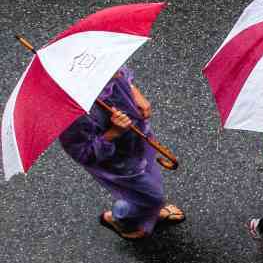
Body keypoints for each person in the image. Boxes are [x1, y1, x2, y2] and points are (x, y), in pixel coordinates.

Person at [59, 67, 184, 239]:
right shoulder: (74, 116)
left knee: (151, 185)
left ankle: (147, 208)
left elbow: (123, 73)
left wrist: (135, 92)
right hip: (120, 162)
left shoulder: (99, 64)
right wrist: (113, 133)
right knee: (153, 197)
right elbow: (84, 154)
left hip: (138, 142)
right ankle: (120, 217)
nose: (116, 73)